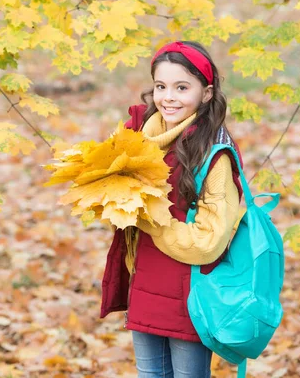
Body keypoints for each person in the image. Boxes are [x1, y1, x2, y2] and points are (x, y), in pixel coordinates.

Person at [100, 40, 245, 378]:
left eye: (182, 87)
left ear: (207, 93)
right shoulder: (136, 138)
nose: (168, 97)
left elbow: (209, 241)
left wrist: (150, 217)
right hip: (146, 285)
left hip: (190, 297)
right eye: (161, 86)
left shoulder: (213, 153)